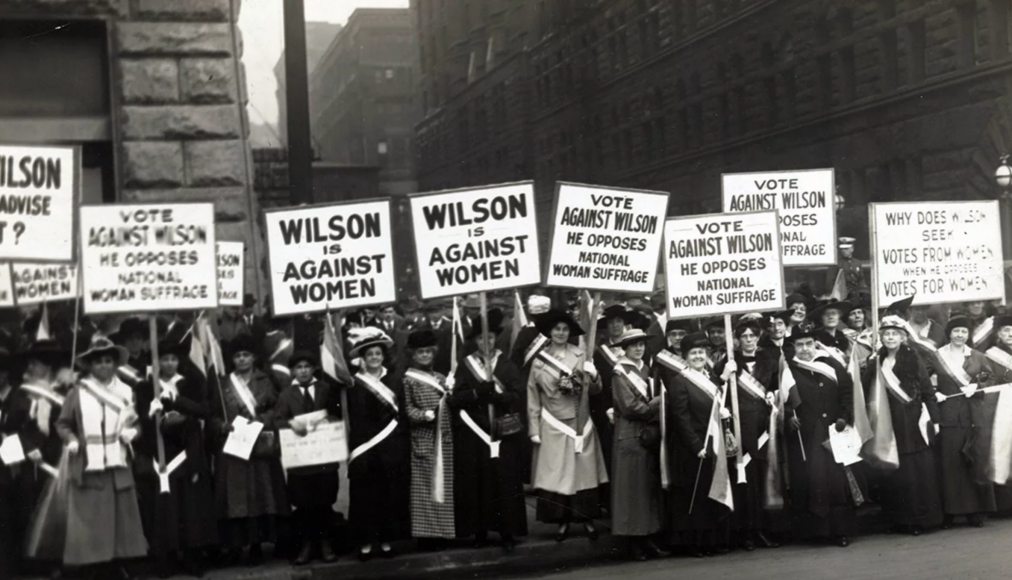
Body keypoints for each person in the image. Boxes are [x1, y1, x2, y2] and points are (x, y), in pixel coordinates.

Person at [56, 335, 148, 576]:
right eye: (98, 362)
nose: (104, 366)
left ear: (115, 364)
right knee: (91, 518)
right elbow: (63, 424)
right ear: (90, 366)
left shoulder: (127, 392)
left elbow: (137, 424)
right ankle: (92, 566)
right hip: (89, 464)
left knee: (119, 519)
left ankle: (116, 565)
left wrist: (132, 432)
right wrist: (72, 440)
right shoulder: (78, 392)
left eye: (108, 361)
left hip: (117, 463)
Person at [133, 338, 218, 576]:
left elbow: (204, 410)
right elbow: (140, 421)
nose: (169, 364)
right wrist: (152, 414)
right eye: (164, 359)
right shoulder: (145, 388)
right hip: (160, 453)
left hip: (186, 450)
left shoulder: (190, 383)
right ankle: (166, 559)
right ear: (157, 362)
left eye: (173, 359)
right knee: (164, 509)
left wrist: (178, 406)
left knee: (189, 507)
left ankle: (191, 557)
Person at [449, 309, 527, 552]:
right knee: (478, 482)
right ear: (476, 340)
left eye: (490, 338)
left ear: (495, 339)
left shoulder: (506, 364)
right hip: (476, 431)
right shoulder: (466, 365)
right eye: (482, 339)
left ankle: (507, 532)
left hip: (502, 430)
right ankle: (480, 531)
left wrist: (499, 396)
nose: (486, 342)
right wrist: (476, 394)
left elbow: (518, 395)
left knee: (504, 483)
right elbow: (455, 399)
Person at [527, 309, 608, 542]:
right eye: (557, 329)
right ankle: (561, 521)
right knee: (558, 474)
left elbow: (596, 391)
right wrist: (533, 429)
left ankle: (587, 519)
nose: (561, 333)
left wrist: (593, 376)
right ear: (549, 333)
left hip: (579, 422)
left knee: (584, 474)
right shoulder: (539, 361)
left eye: (564, 329)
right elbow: (533, 396)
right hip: (553, 424)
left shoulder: (581, 355)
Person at [213, 334, 289, 565]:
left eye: (246, 355)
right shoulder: (223, 383)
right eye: (237, 356)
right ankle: (237, 545)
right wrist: (222, 426)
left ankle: (257, 544)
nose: (242, 359)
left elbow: (277, 409)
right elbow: (214, 414)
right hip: (234, 447)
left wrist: (260, 423)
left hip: (259, 446)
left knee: (260, 494)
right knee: (236, 497)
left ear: (254, 357)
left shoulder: (265, 380)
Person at [865, 316, 943, 535]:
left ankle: (922, 519)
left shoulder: (914, 358)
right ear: (881, 338)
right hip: (888, 424)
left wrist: (935, 420)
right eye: (886, 334)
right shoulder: (875, 362)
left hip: (914, 422)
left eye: (894, 334)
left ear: (902, 337)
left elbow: (928, 392)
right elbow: (865, 390)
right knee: (897, 474)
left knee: (918, 473)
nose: (890, 337)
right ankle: (901, 520)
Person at [662, 332, 735, 557]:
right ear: (685, 356)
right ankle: (694, 543)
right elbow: (681, 418)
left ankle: (711, 540)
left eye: (701, 352)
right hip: (692, 449)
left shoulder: (711, 378)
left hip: (713, 444)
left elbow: (715, 403)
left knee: (710, 493)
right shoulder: (679, 382)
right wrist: (696, 446)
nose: (698, 356)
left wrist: (724, 415)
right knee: (694, 496)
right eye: (693, 353)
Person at [784, 324, 856, 546]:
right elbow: (780, 400)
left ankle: (839, 532)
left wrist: (844, 417)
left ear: (815, 344)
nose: (805, 349)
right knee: (810, 481)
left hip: (832, 432)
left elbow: (847, 393)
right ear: (793, 347)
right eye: (799, 345)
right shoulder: (787, 370)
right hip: (805, 436)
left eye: (808, 344)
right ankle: (814, 533)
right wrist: (788, 417)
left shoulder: (830, 365)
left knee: (835, 482)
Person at [345, 328, 410, 560]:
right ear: (363, 357)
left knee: (387, 496)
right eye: (370, 354)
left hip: (390, 447)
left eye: (378, 353)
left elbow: (401, 412)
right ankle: (364, 542)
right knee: (364, 497)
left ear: (384, 356)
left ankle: (385, 541)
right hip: (365, 447)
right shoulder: (353, 384)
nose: (374, 357)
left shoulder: (394, 379)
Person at [716, 320, 781, 550]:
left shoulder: (769, 361)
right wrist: (724, 375)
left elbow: (775, 387)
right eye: (744, 336)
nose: (749, 340)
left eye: (753, 335)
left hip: (763, 428)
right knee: (744, 481)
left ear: (758, 337)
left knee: (762, 479)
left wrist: (774, 396)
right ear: (737, 339)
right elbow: (717, 394)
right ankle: (745, 532)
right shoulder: (729, 362)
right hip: (740, 427)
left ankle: (762, 529)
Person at [274, 350, 342, 565]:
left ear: (313, 369)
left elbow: (337, 414)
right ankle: (306, 545)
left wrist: (326, 421)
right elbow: (277, 421)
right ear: (293, 371)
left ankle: (325, 543)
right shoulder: (286, 394)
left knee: (324, 501)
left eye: (307, 366)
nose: (303, 371)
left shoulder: (326, 389)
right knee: (303, 504)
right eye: (298, 367)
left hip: (324, 458)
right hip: (300, 461)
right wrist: (291, 424)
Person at [932, 314, 997, 527]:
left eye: (963, 332)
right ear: (949, 334)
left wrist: (976, 387)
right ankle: (951, 512)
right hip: (949, 416)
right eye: (956, 331)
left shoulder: (977, 356)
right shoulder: (937, 356)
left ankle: (976, 512)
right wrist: (935, 394)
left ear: (968, 335)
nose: (960, 335)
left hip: (973, 415)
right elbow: (926, 380)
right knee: (950, 465)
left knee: (974, 463)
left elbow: (991, 379)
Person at [610, 328, 667, 560]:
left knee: (646, 490)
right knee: (631, 492)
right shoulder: (619, 372)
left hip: (647, 435)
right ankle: (633, 542)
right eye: (633, 345)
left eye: (641, 344)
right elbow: (630, 407)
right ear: (625, 348)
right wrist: (656, 405)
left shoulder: (646, 368)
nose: (638, 348)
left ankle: (648, 538)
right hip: (630, 436)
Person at [403, 329, 456, 550]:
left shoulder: (442, 378)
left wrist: (451, 391)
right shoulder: (408, 380)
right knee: (424, 489)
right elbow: (407, 408)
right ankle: (425, 536)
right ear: (413, 355)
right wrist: (421, 415)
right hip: (423, 439)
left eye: (428, 352)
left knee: (443, 488)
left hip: (443, 439)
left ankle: (442, 532)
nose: (424, 355)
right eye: (420, 352)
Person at [0, 347, 31, 577]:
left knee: (17, 512)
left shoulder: (19, 396)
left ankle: (18, 564)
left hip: (17, 460)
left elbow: (24, 428)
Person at [982, 314, 1012, 511]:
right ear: (998, 334)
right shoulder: (991, 355)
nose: (1010, 334)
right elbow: (988, 382)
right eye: (1006, 331)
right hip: (1004, 409)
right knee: (1003, 451)